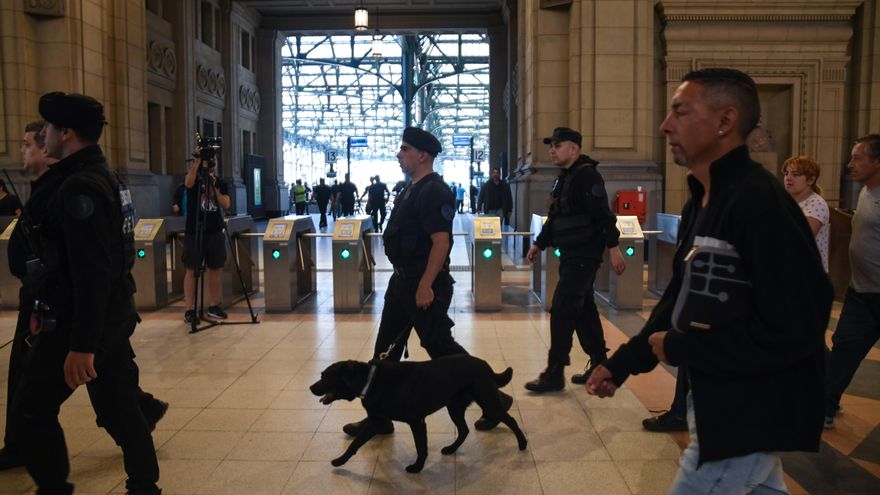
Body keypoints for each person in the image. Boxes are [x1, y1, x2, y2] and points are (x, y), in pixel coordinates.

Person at [587, 69, 833, 494]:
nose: (665, 125)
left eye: (680, 112)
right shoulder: (704, 197)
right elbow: (681, 296)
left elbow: (799, 324)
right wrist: (623, 363)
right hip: (717, 391)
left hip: (750, 404)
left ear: (725, 121)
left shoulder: (758, 202)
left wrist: (682, 347)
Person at [7, 92, 163, 494]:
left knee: (31, 409)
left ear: (67, 133)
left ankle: (55, 488)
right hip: (105, 316)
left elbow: (92, 274)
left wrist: (82, 345)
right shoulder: (102, 176)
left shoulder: (82, 188)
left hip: (79, 319)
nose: (43, 134)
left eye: (48, 128)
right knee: (120, 407)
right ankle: (145, 487)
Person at [342, 127, 513, 437]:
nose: (399, 154)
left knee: (440, 348)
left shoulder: (434, 190)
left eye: (405, 149)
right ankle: (379, 418)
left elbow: (440, 242)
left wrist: (425, 285)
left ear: (422, 155)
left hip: (423, 284)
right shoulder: (410, 188)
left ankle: (495, 399)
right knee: (385, 352)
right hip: (401, 283)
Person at [524, 127, 626, 392]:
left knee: (562, 307)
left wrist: (614, 247)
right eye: (551, 145)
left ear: (574, 148)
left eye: (558, 145)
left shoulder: (587, 176)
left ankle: (555, 372)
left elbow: (603, 215)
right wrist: (539, 243)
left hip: (585, 254)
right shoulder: (565, 178)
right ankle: (600, 363)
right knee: (583, 310)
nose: (552, 150)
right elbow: (555, 216)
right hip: (571, 253)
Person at [825, 134, 880, 428]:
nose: (850, 165)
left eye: (858, 158)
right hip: (860, 292)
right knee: (844, 346)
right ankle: (825, 406)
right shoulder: (865, 191)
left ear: (877, 162)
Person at [183, 140, 232, 323]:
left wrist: (214, 188)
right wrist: (196, 163)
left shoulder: (220, 182)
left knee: (215, 269)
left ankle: (214, 305)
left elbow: (226, 204)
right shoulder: (194, 178)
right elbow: (188, 184)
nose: (211, 162)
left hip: (214, 230)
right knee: (191, 269)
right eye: (208, 159)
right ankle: (189, 309)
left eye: (213, 159)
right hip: (194, 230)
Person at [782, 156, 830, 272]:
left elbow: (799, 238)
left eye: (795, 174)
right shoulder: (787, 201)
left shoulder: (816, 203)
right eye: (786, 173)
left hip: (810, 272)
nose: (788, 178)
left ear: (811, 180)